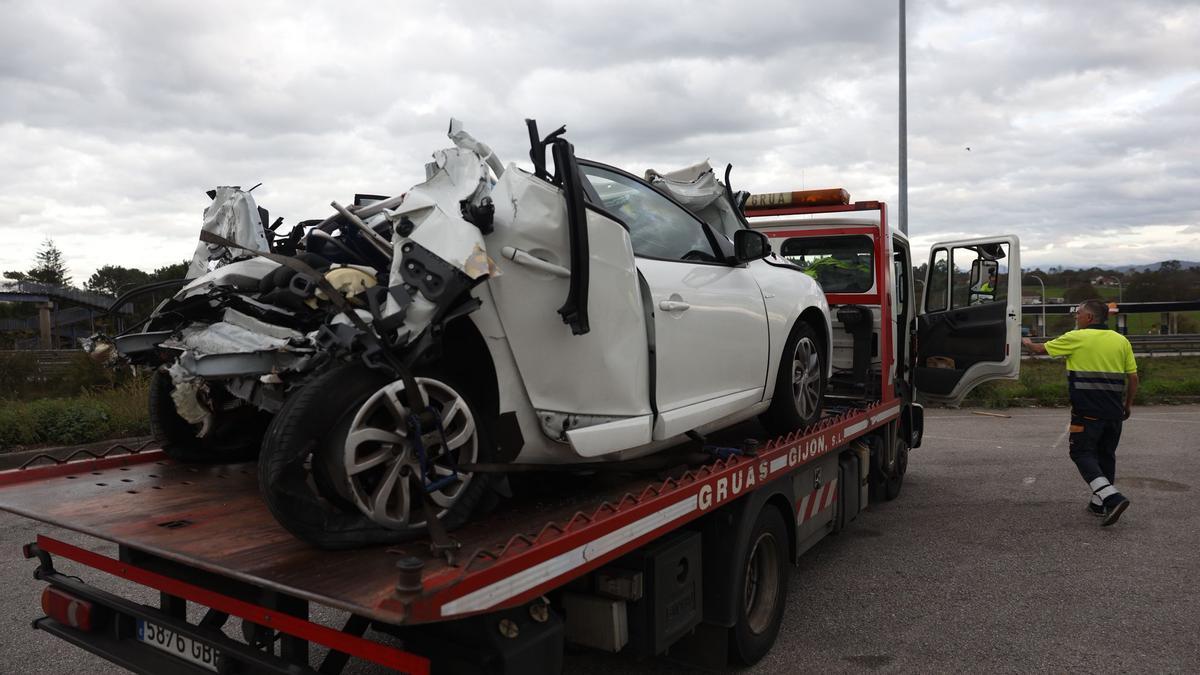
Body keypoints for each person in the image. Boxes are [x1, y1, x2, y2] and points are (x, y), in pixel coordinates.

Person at [1023, 299, 1138, 526]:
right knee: (1105, 456)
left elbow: (1038, 349)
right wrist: (1127, 406)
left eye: (1079, 314)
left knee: (1082, 454)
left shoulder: (1076, 337)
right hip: (1114, 413)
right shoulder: (1121, 340)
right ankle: (1099, 504)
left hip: (1087, 413)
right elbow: (1133, 377)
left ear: (1089, 318)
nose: (1076, 317)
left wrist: (1024, 340)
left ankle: (1113, 499)